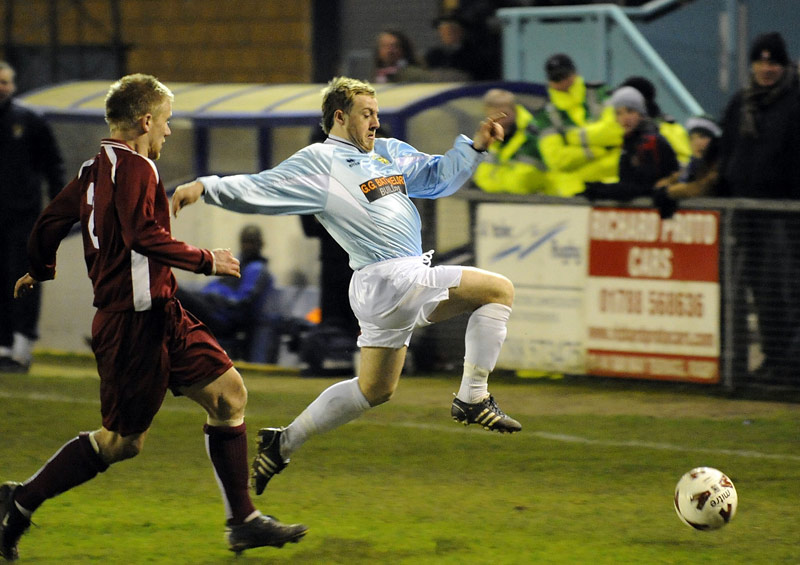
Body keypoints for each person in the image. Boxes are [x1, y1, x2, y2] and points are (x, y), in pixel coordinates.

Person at [0, 74, 307, 562]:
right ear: (145, 121)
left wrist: (40, 268)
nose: (168, 130)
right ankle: (20, 500)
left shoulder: (92, 168)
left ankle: (244, 522)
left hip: (163, 313)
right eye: (166, 121)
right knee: (122, 443)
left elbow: (50, 221)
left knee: (229, 396)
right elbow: (142, 234)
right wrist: (206, 260)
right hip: (130, 325)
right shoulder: (137, 168)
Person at [171, 76, 521, 497]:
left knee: (374, 389)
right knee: (498, 291)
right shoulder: (322, 161)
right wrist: (207, 186)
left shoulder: (388, 152)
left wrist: (475, 148)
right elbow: (264, 186)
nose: (375, 121)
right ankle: (473, 397)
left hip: (388, 284)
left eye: (377, 113)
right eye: (366, 114)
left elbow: (436, 177)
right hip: (391, 277)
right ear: (340, 117)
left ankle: (283, 442)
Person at [716, 31, 800, 383]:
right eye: (761, 62)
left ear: (784, 65)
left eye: (773, 62)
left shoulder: (795, 101)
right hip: (746, 214)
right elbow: (724, 153)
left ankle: (791, 364)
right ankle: (774, 359)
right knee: (760, 290)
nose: (766, 68)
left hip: (785, 214)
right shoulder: (741, 103)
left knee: (786, 288)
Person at [0, 61, 65, 372]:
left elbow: (53, 166)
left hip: (24, 218)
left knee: (24, 278)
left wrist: (59, 208)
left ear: (13, 86)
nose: (2, 87)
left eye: (5, 82)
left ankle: (21, 349)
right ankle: (3, 347)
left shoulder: (29, 120)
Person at [175, 224, 275, 359]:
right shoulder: (238, 265)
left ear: (260, 244)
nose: (247, 246)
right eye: (245, 241)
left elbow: (242, 303)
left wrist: (214, 298)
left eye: (251, 242)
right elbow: (215, 285)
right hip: (213, 308)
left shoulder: (257, 269)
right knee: (175, 297)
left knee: (175, 292)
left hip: (224, 319)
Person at [533, 53, 619, 196]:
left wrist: (573, 138)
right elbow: (556, 159)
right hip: (573, 188)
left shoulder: (600, 92)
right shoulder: (544, 115)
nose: (562, 81)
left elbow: (616, 132)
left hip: (613, 179)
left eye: (564, 75)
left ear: (574, 73)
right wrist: (596, 150)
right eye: (556, 78)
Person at [581, 86, 679, 203]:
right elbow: (628, 183)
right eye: (619, 113)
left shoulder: (650, 141)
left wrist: (601, 191)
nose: (625, 118)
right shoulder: (629, 142)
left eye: (630, 111)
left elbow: (646, 187)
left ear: (641, 114)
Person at [472, 88, 551, 195]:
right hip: (494, 198)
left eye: (504, 112)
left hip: (539, 198)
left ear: (514, 110)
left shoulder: (535, 133)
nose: (499, 116)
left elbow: (525, 179)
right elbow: (481, 175)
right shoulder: (486, 136)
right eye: (494, 112)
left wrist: (495, 187)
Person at [619, 76, 692, 166]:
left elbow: (685, 164)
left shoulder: (668, 128)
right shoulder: (619, 130)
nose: (624, 116)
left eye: (629, 109)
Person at [424, 11, 498, 81]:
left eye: (451, 31)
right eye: (442, 32)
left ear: (461, 32)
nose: (446, 35)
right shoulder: (434, 55)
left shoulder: (474, 55)